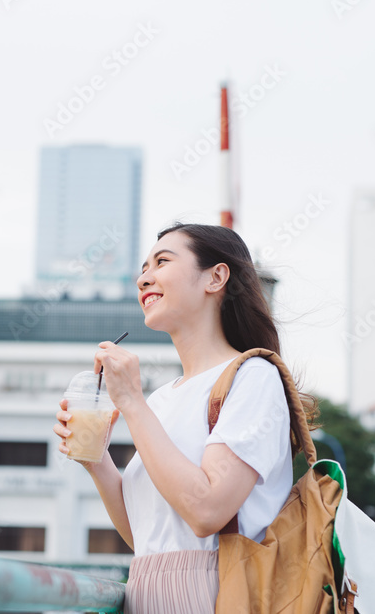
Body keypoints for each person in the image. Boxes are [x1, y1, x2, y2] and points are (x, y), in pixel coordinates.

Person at [54, 222, 318, 613]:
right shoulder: (163, 398)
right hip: (146, 591)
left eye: (162, 261)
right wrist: (96, 462)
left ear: (216, 277)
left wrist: (131, 402)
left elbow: (206, 511)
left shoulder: (254, 376)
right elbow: (146, 533)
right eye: (143, 268)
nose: (144, 278)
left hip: (217, 592)